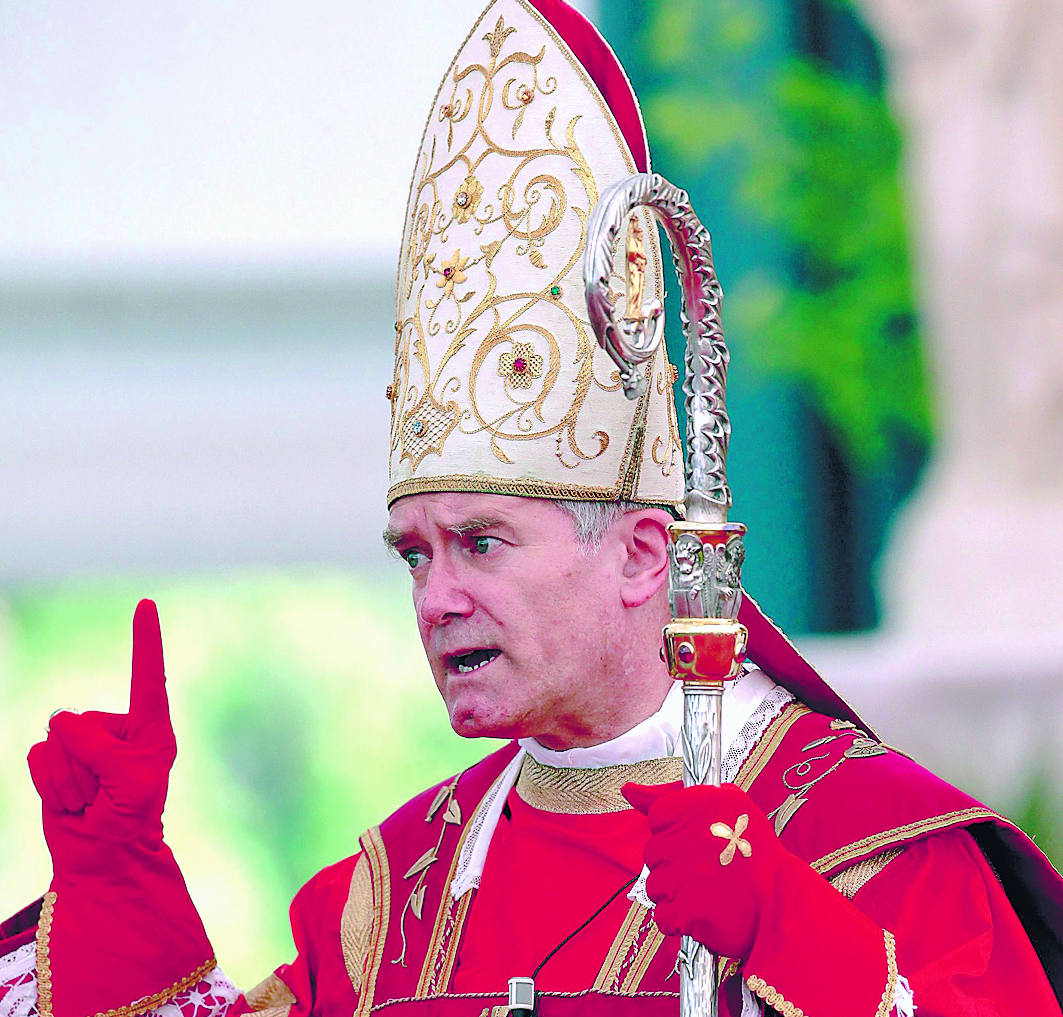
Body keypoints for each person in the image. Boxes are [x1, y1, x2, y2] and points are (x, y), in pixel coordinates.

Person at [2, 1, 1062, 1015]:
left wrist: (801, 940)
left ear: (642, 554)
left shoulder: (861, 843)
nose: (436, 598)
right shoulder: (394, 896)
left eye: (480, 542)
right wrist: (120, 889)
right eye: (414, 555)